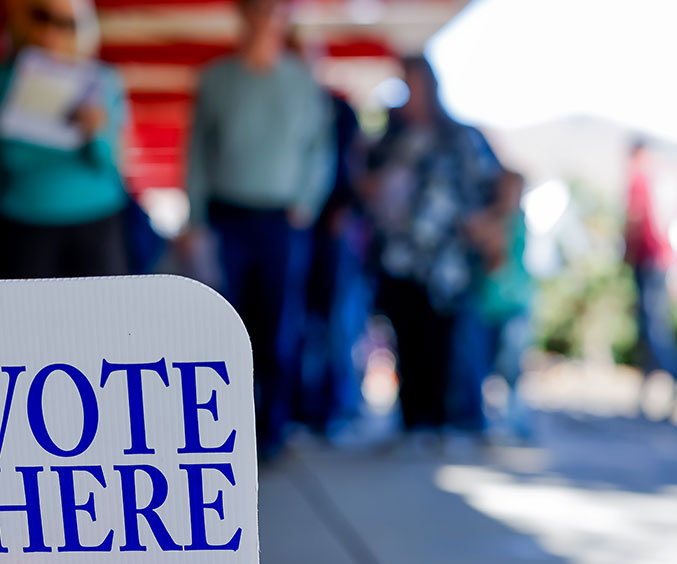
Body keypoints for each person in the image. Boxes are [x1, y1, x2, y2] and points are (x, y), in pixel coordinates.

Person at [185, 0, 334, 459]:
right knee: (225, 323)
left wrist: (307, 201)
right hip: (227, 214)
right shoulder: (215, 79)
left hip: (280, 219)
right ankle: (225, 428)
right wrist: (194, 216)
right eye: (257, 10)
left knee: (277, 323)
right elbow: (196, 152)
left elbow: (319, 151)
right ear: (243, 16)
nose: (265, 20)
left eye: (274, 11)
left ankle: (272, 429)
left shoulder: (302, 83)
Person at [366, 56, 499, 436]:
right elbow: (367, 186)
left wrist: (487, 230)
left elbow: (491, 185)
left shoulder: (460, 137)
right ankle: (412, 422)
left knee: (442, 341)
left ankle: (443, 421)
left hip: (447, 261)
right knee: (405, 338)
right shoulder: (392, 140)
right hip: (398, 257)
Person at [0, 0, 130, 279]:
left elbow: (108, 161)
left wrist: (94, 133)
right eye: (42, 18)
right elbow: (12, 158)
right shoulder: (2, 80)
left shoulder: (104, 80)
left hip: (96, 220)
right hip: (26, 222)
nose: (52, 33)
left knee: (100, 315)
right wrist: (73, 145)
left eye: (67, 24)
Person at [297, 94, 371, 441]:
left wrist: (345, 204)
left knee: (337, 324)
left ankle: (337, 408)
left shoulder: (338, 108)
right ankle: (306, 407)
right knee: (302, 322)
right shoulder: (295, 104)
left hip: (334, 236)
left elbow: (356, 164)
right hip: (298, 228)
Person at [465, 169, 533, 439]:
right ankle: (483, 418)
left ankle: (515, 416)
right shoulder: (493, 218)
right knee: (482, 363)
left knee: (511, 363)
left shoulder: (516, 222)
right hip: (487, 306)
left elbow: (496, 258)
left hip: (513, 306)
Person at [624, 138, 677, 416]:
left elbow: (635, 220)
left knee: (651, 327)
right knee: (651, 325)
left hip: (648, 261)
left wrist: (626, 252)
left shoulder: (641, 177)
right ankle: (647, 393)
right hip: (660, 261)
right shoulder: (664, 177)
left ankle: (675, 373)